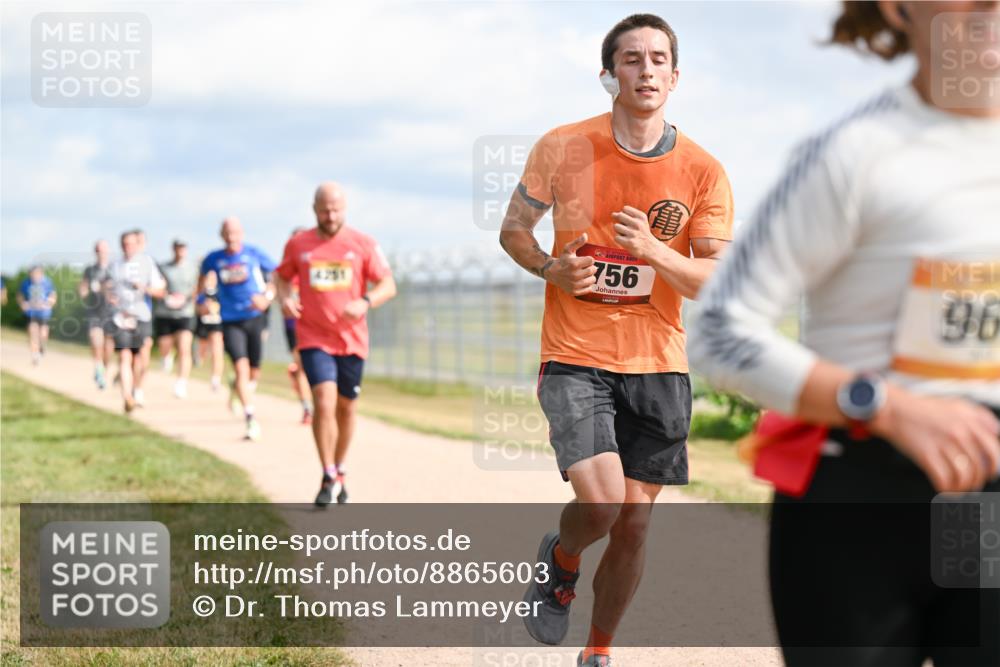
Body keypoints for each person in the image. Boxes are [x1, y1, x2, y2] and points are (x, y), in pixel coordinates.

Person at [688, 3, 1000, 665]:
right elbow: (719, 330)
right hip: (858, 504)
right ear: (899, 8)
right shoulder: (854, 153)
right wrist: (885, 405)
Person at [499, 14, 734, 666]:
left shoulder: (703, 170)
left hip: (658, 362)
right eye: (632, 59)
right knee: (601, 502)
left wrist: (655, 250)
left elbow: (714, 279)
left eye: (659, 59)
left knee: (634, 522)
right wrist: (551, 267)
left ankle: (597, 652)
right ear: (609, 75)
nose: (646, 70)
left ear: (675, 77)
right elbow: (514, 230)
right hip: (575, 354)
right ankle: (563, 559)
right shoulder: (562, 146)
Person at [276, 182, 396, 506]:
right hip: (314, 337)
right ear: (314, 209)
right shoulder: (298, 244)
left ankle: (340, 468)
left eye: (336, 210)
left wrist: (365, 301)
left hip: (352, 340)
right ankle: (327, 473)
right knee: (324, 400)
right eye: (324, 210)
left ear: (344, 208)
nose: (330, 216)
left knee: (347, 407)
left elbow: (388, 284)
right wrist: (285, 298)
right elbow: (281, 277)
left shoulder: (363, 243)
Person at [199, 216, 276, 441]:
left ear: (241, 233)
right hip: (230, 320)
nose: (231, 237)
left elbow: (276, 276)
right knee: (241, 369)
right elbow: (201, 282)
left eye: (235, 233)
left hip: (254, 317)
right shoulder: (214, 258)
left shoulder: (254, 253)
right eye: (227, 233)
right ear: (221, 235)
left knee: (254, 371)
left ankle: (236, 390)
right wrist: (201, 300)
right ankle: (250, 418)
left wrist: (267, 297)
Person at [107, 230, 166, 413]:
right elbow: (107, 288)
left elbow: (160, 291)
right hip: (121, 318)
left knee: (141, 359)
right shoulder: (115, 265)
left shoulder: (147, 263)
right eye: (125, 244)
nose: (128, 247)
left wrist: (144, 288)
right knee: (125, 356)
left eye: (131, 243)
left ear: (137, 244)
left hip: (142, 316)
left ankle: (137, 389)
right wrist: (110, 296)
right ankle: (127, 397)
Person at [154, 239, 199, 398]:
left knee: (184, 347)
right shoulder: (163, 267)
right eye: (178, 247)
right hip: (165, 313)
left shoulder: (193, 268)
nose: (180, 250)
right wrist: (166, 296)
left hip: (185, 312)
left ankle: (181, 382)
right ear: (173, 249)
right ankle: (167, 356)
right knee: (164, 345)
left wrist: (186, 299)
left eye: (183, 247)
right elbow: (157, 286)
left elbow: (198, 287)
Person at [282, 227, 314, 425]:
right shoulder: (286, 272)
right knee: (302, 367)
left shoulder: (314, 266)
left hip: (317, 326)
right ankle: (307, 408)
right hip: (294, 325)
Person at [79, 240, 115, 389]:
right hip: (94, 312)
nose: (101, 253)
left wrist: (103, 288)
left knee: (108, 347)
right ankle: (98, 367)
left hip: (111, 313)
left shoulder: (114, 268)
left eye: (104, 250)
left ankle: (103, 371)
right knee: (96, 340)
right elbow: (83, 287)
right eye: (98, 250)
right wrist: (83, 290)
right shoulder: (90, 270)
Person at [18, 265, 57, 365]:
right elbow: (20, 295)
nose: (34, 276)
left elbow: (53, 296)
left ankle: (42, 347)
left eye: (36, 273)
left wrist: (48, 303)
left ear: (41, 274)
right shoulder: (26, 283)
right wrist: (22, 304)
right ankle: (35, 355)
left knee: (43, 334)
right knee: (32, 332)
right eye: (32, 274)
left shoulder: (47, 282)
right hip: (31, 312)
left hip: (44, 313)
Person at [195, 269, 225, 392]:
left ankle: (216, 378)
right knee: (202, 351)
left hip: (217, 324)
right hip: (203, 324)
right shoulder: (201, 294)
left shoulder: (221, 293)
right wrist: (203, 307)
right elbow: (197, 308)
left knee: (217, 350)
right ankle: (198, 363)